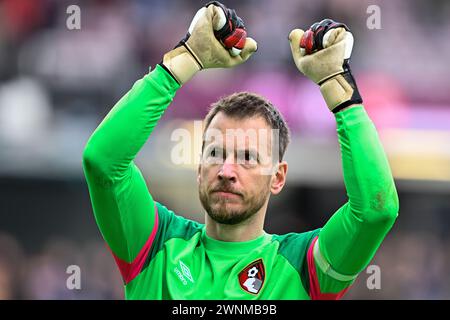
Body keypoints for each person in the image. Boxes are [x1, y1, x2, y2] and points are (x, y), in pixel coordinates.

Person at [82, 1, 399, 299]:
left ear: (278, 177)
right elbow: (103, 162)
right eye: (215, 154)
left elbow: (376, 211)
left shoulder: (304, 265)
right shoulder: (155, 243)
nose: (226, 171)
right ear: (199, 166)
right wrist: (182, 63)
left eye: (247, 158)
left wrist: (339, 91)